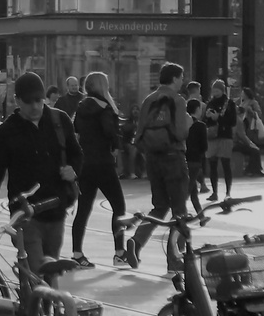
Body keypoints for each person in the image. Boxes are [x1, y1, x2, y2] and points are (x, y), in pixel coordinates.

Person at [0, 71, 83, 271]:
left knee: (52, 273)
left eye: (39, 100)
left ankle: (42, 301)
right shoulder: (7, 132)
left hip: (56, 210)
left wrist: (73, 170)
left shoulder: (60, 121)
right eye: (29, 101)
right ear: (17, 100)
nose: (35, 106)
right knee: (38, 271)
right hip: (25, 215)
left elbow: (76, 154)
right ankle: (33, 297)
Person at [126, 62, 191, 269]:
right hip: (174, 156)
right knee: (179, 210)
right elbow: (180, 132)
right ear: (174, 79)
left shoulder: (148, 99)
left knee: (160, 206)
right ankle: (175, 257)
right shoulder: (178, 100)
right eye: (181, 78)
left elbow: (139, 133)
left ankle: (136, 241)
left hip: (153, 159)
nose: (182, 81)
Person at [72, 71, 127, 266]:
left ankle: (77, 253)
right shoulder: (105, 107)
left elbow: (75, 130)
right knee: (119, 207)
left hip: (85, 163)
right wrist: (114, 146)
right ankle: (119, 252)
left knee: (83, 208)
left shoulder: (81, 106)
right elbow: (109, 131)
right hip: (103, 162)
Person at [202, 80, 237, 200]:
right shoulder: (210, 103)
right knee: (212, 165)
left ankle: (228, 192)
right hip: (212, 136)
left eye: (217, 90)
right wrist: (207, 117)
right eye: (213, 90)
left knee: (225, 164)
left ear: (222, 91)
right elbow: (204, 121)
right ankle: (214, 192)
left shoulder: (229, 103)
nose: (215, 93)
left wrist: (218, 118)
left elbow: (232, 121)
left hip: (225, 136)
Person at [184, 98, 208, 218]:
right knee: (188, 189)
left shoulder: (183, 123)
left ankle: (201, 216)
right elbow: (204, 146)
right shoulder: (200, 126)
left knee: (193, 190)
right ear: (197, 109)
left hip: (184, 158)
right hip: (195, 160)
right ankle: (180, 215)